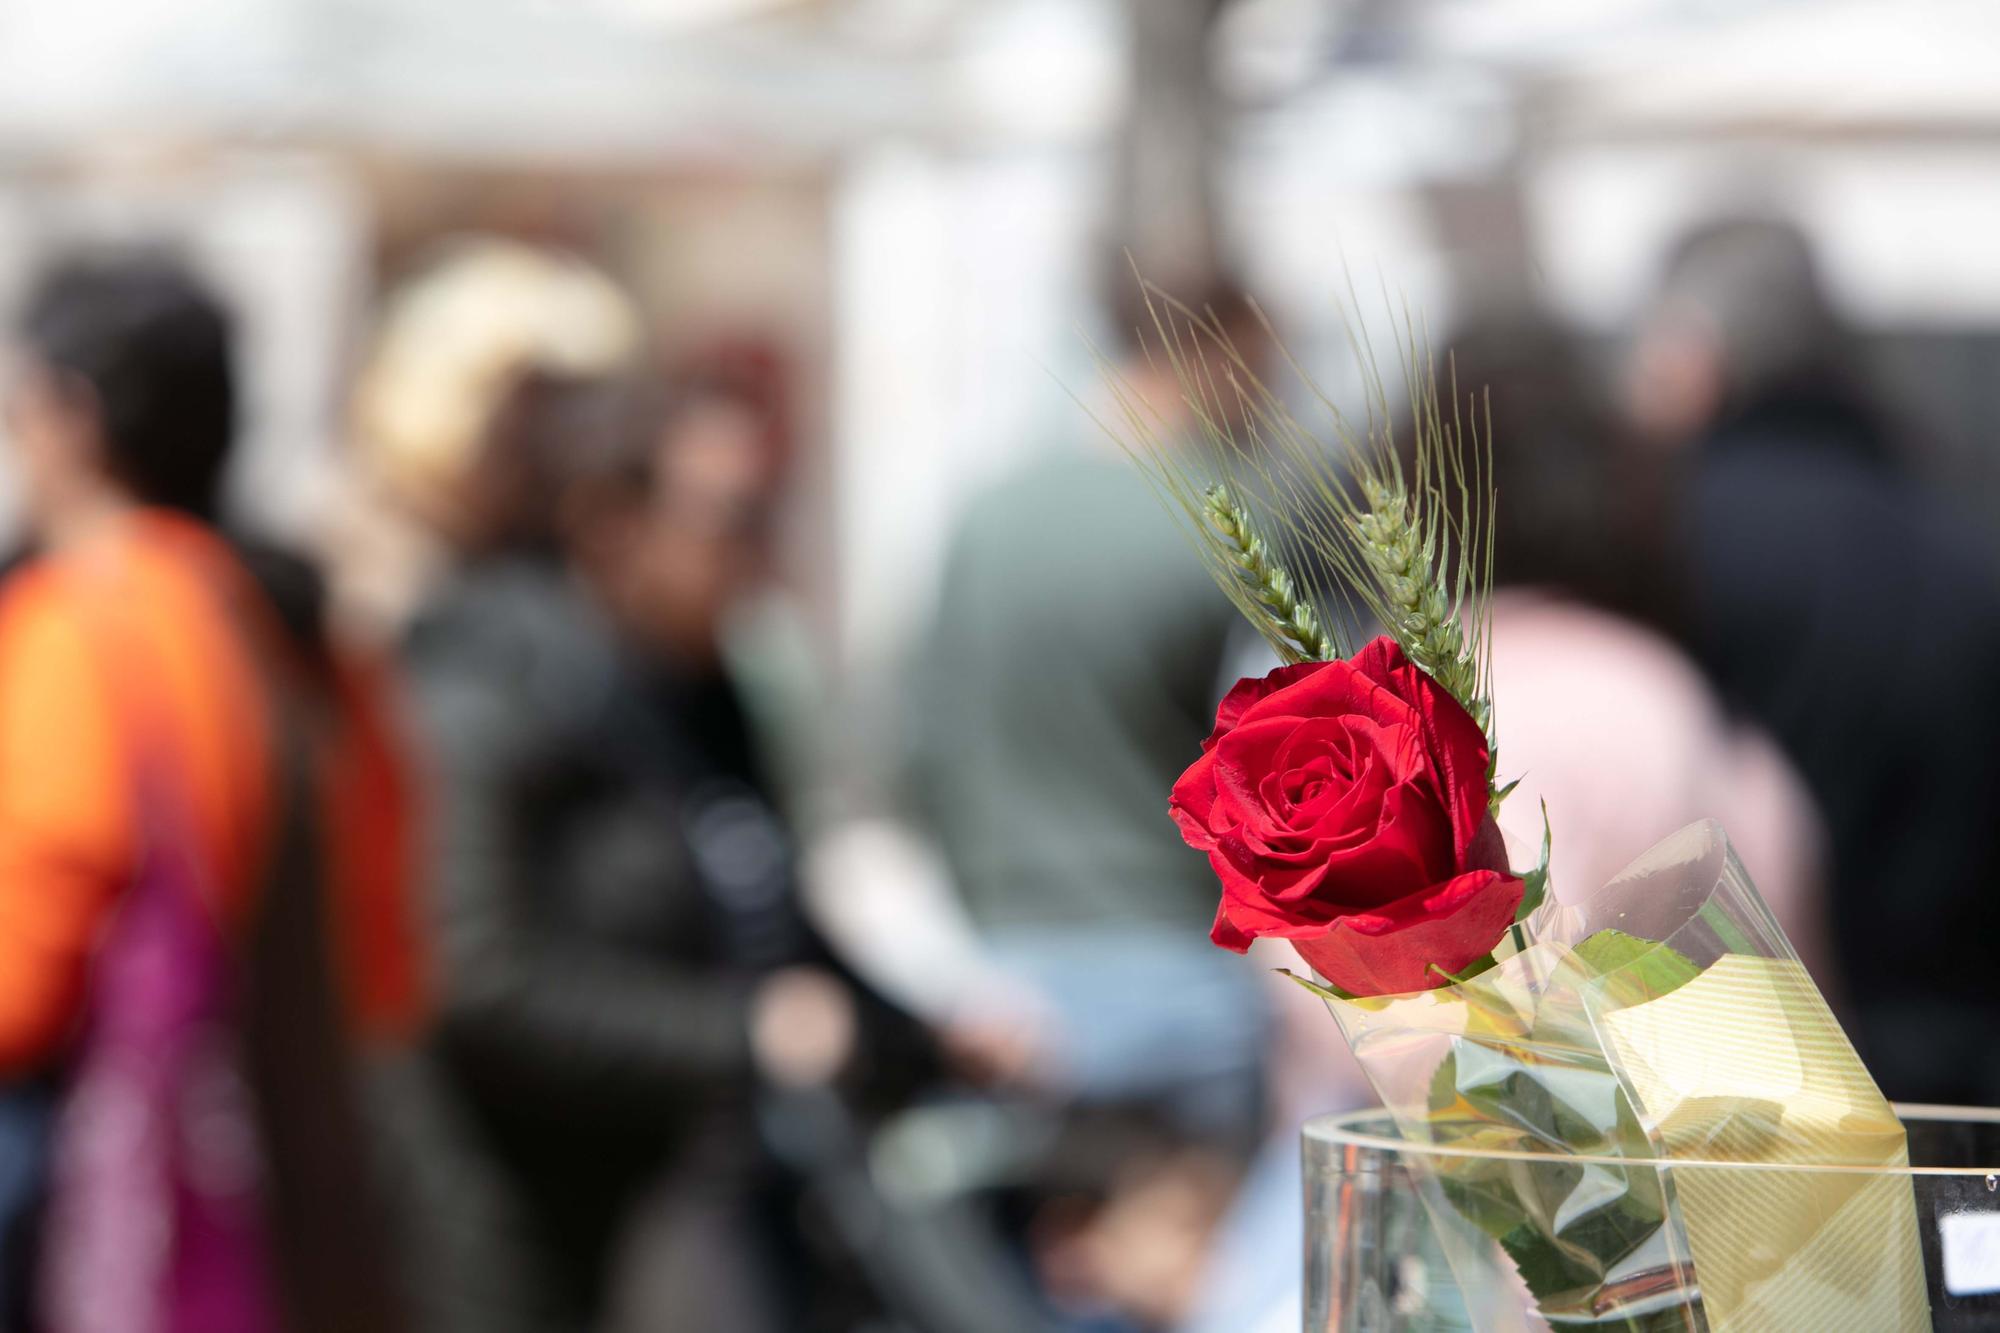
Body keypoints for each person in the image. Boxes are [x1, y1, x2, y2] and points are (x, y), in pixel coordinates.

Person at [403, 373, 937, 1332]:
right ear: (611, 523)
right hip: (514, 1235)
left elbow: (766, 911)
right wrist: (741, 1032)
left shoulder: (699, 690)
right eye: (731, 518)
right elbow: (476, 979)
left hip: (687, 1195)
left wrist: (923, 1033)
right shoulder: (486, 691)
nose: (759, 555)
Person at [0, 253, 412, 1330]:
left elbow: (23, 967)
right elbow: (386, 954)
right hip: (287, 1191)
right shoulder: (288, 623)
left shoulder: (83, 620)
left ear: (72, 416)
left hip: (106, 1215)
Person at [1625, 218, 2000, 1104]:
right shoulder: (1963, 540)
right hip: (1957, 1088)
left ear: (1694, 358)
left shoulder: (1663, 546)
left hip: (1732, 1105)